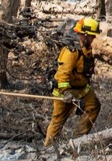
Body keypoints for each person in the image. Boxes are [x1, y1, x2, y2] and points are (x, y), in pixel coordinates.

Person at [43, 16, 103, 147]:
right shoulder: (71, 51)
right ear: (84, 35)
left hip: (82, 88)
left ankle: (78, 140)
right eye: (92, 36)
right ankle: (46, 150)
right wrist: (66, 93)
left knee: (94, 106)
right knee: (58, 121)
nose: (94, 39)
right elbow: (62, 75)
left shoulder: (88, 48)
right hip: (64, 90)